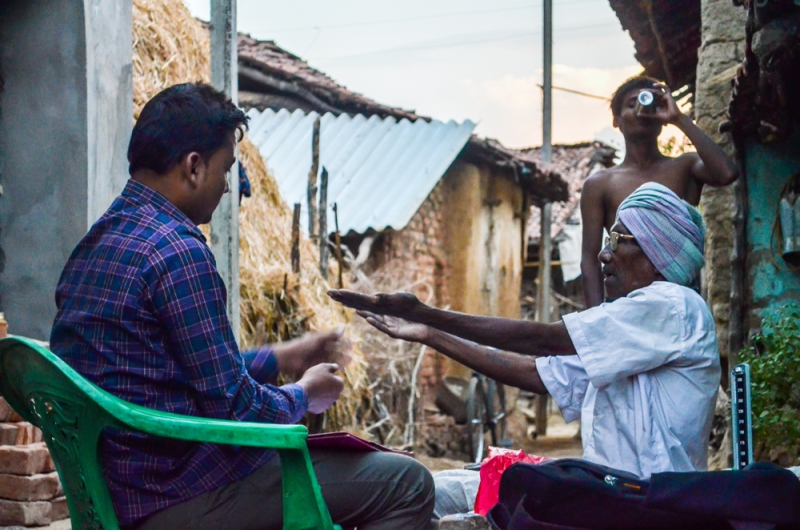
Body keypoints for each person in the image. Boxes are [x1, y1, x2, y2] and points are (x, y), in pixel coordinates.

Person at [50, 83, 434, 530]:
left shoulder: (94, 246)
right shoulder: (177, 252)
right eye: (225, 169)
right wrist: (304, 394)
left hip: (115, 493)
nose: (227, 186)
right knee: (408, 483)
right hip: (179, 496)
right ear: (194, 167)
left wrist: (283, 357)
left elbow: (180, 374)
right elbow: (236, 409)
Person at [330, 182, 720, 487]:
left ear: (656, 252)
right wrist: (429, 333)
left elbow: (545, 340)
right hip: (618, 497)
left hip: (652, 505)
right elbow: (539, 373)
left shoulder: (673, 305)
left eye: (617, 241)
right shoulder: (632, 329)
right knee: (455, 484)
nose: (604, 254)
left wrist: (427, 314)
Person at [581, 76, 740, 308]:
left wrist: (679, 119)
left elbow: (727, 174)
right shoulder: (600, 183)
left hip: (678, 300)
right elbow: (589, 259)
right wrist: (596, 319)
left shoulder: (685, 167)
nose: (641, 110)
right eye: (631, 104)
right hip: (624, 304)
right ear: (617, 120)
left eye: (649, 104)